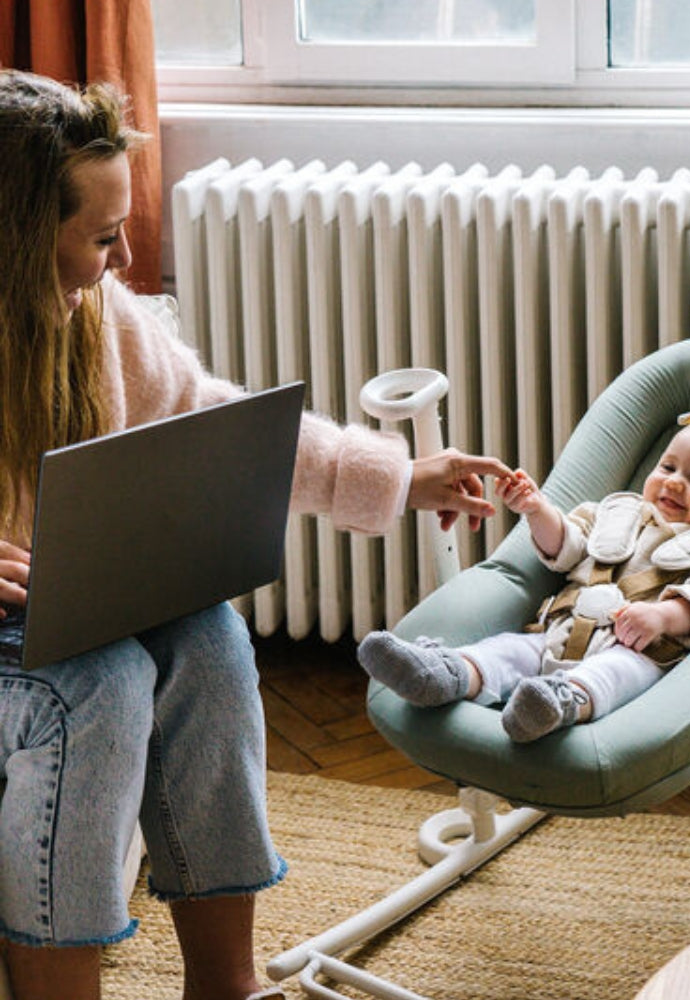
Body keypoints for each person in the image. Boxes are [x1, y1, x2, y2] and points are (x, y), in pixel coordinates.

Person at [0, 70, 510, 1000]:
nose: (119, 263)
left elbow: (209, 422)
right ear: (21, 235)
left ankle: (221, 988)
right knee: (101, 687)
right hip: (18, 637)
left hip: (71, 600)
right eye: (103, 238)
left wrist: (399, 477)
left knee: (212, 643)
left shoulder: (99, 319)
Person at [359, 403, 690, 742]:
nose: (674, 483)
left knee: (616, 674)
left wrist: (661, 616)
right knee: (508, 649)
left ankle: (559, 703)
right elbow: (565, 547)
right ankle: (446, 673)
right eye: (667, 467)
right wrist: (538, 510)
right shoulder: (615, 513)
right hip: (558, 631)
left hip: (639, 650)